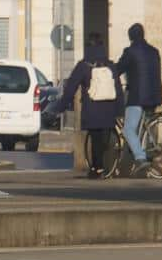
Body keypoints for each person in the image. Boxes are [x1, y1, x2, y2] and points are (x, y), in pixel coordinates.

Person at [53, 33, 124, 177]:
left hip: (92, 109)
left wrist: (60, 107)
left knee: (95, 138)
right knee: (104, 139)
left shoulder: (84, 65)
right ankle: (100, 168)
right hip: (109, 108)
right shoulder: (110, 65)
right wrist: (119, 110)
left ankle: (97, 168)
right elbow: (118, 89)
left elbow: (71, 87)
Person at [115, 22, 162, 169]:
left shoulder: (130, 52)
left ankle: (140, 157)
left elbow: (118, 69)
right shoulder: (154, 51)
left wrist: (110, 70)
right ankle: (152, 148)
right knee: (146, 125)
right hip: (154, 95)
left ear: (130, 37)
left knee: (128, 129)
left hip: (137, 96)